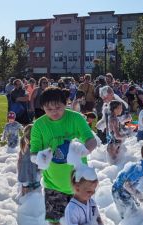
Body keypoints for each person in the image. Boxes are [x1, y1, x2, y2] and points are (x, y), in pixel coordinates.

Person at [30, 87, 97, 225]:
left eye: (58, 107)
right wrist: (40, 158)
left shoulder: (76, 118)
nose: (54, 112)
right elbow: (33, 153)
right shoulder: (39, 125)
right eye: (49, 109)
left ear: (65, 103)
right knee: (55, 222)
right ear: (42, 107)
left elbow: (91, 140)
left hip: (79, 184)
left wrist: (84, 151)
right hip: (53, 184)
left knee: (84, 220)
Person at [112, 142, 143, 219]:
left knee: (136, 206)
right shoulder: (139, 168)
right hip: (118, 189)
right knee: (129, 211)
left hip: (127, 189)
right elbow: (126, 185)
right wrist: (140, 195)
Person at [17, 124, 40, 197]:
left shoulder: (23, 145)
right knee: (35, 190)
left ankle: (24, 200)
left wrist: (19, 171)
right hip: (34, 173)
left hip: (25, 173)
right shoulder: (35, 147)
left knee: (25, 188)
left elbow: (19, 161)